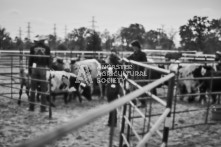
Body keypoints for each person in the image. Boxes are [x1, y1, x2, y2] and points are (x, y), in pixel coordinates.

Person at [28, 35, 51, 112]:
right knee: (43, 89)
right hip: (42, 68)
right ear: (43, 41)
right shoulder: (47, 48)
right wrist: (49, 67)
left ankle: (31, 107)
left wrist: (29, 69)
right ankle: (43, 108)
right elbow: (48, 59)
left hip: (34, 68)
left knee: (33, 88)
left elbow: (30, 59)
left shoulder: (32, 48)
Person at [127, 40, 147, 106]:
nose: (133, 48)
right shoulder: (134, 54)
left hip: (139, 73)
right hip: (133, 72)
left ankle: (143, 102)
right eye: (133, 47)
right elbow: (128, 58)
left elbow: (145, 63)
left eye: (134, 47)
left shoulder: (142, 54)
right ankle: (133, 101)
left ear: (138, 46)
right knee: (132, 87)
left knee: (139, 88)